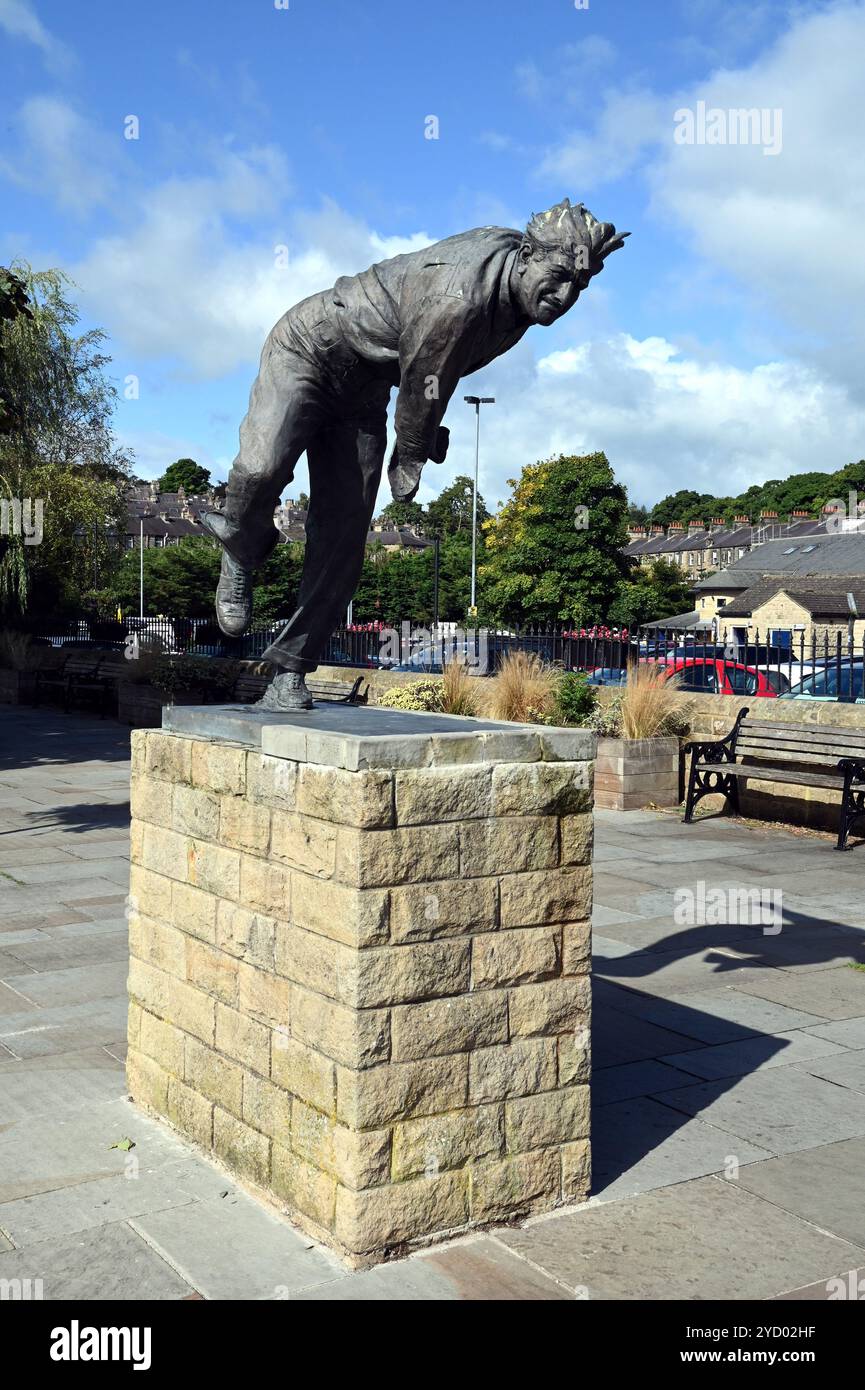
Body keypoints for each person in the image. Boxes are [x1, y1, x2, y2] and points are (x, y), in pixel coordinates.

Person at [204, 198, 628, 709]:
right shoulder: (463, 295)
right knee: (261, 467)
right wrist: (411, 454)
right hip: (309, 351)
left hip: (362, 395)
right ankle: (240, 549)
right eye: (558, 276)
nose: (563, 297)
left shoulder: (517, 299)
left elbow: (432, 373)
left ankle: (289, 672)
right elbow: (426, 376)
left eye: (577, 288)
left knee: (344, 536)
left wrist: (424, 433)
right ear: (527, 253)